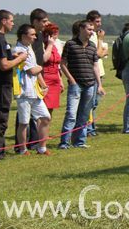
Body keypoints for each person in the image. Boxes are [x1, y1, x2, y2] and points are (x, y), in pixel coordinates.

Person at [0, 10, 28, 160]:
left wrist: (13, 56)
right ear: (3, 21)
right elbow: (3, 65)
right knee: (1, 118)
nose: (13, 23)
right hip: (1, 84)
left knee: (1, 116)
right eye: (11, 20)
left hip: (2, 83)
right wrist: (21, 58)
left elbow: (1, 59)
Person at [59, 20, 105, 149]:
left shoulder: (91, 46)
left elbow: (95, 66)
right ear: (81, 29)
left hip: (90, 85)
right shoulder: (70, 44)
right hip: (76, 85)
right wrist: (71, 80)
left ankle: (80, 141)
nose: (92, 32)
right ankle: (64, 142)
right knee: (71, 114)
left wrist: (99, 85)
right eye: (89, 29)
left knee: (84, 115)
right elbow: (62, 64)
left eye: (92, 30)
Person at [14, 8, 52, 152]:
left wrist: (43, 84)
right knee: (24, 122)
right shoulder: (18, 50)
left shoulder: (29, 48)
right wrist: (42, 66)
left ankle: (42, 147)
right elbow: (32, 69)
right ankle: (22, 149)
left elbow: (36, 69)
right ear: (24, 36)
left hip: (34, 91)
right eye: (32, 35)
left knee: (46, 117)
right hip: (23, 92)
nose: (35, 37)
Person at [85, 10, 108, 137]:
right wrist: (100, 39)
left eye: (100, 21)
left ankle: (91, 127)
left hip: (100, 71)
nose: (99, 24)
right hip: (93, 73)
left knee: (95, 103)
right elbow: (99, 53)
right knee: (91, 103)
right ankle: (89, 129)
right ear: (90, 21)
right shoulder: (92, 36)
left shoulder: (95, 35)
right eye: (97, 21)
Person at [40, 24, 63, 119]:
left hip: (55, 78)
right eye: (53, 34)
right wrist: (49, 44)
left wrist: (60, 80)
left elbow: (57, 65)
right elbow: (44, 59)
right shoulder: (43, 45)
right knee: (43, 109)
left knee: (50, 109)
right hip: (45, 78)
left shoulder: (55, 47)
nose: (55, 36)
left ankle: (45, 132)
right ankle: (39, 132)